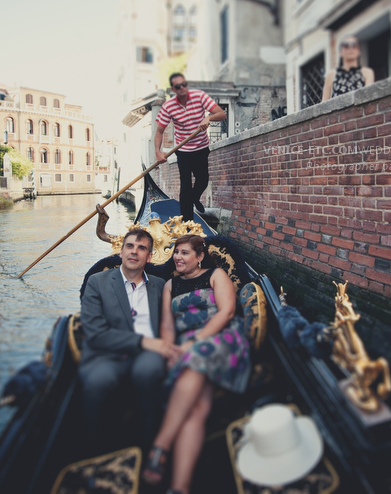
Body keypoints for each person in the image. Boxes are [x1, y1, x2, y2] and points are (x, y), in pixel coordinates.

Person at [142, 234, 251, 494]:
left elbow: (226, 311)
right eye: (176, 252)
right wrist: (169, 350)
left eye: (184, 253)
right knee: (197, 408)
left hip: (220, 336)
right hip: (186, 343)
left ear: (199, 256)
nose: (177, 257)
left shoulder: (216, 275)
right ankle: (180, 487)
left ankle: (160, 446)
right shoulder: (171, 285)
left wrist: (196, 341)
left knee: (197, 356)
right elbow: (167, 324)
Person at [79, 228, 179, 449]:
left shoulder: (159, 285)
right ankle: (97, 449)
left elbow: (169, 322)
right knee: (99, 380)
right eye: (130, 246)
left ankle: (148, 444)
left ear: (149, 256)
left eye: (142, 248)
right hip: (107, 354)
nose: (135, 252)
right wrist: (142, 341)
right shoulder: (97, 282)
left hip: (147, 355)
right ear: (121, 252)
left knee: (149, 370)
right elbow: (95, 332)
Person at [154, 73, 227, 222]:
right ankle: (186, 223)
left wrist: (208, 117)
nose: (182, 88)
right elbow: (159, 131)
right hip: (183, 151)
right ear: (173, 89)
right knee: (185, 186)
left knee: (203, 181)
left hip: (201, 147)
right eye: (178, 86)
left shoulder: (199, 96)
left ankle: (194, 199)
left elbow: (222, 114)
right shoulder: (169, 106)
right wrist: (157, 151)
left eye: (184, 84)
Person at [321, 35, 375, 102]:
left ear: (359, 51)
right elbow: (323, 103)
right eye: (346, 46)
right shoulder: (331, 74)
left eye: (354, 45)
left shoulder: (367, 72)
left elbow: (368, 97)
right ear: (340, 52)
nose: (351, 48)